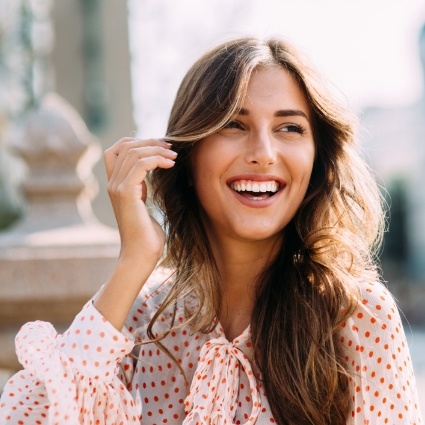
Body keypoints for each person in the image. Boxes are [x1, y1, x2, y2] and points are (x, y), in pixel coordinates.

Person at [0, 36, 423, 425]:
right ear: (185, 154)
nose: (263, 153)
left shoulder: (356, 314)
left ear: (317, 163)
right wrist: (134, 260)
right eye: (233, 125)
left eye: (289, 128)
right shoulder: (143, 319)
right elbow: (30, 417)